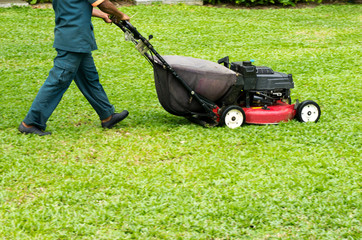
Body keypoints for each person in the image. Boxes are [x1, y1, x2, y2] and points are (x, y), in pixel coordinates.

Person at [18, 0, 130, 136]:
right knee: (58, 80)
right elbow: (104, 3)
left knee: (89, 78)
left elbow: (76, 6)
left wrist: (102, 15)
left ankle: (107, 116)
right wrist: (120, 14)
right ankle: (30, 123)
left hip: (70, 36)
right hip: (75, 39)